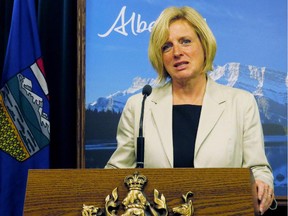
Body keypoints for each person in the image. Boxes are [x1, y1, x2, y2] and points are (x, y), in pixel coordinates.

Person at [105, 6, 275, 215]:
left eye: (185, 41)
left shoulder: (241, 102)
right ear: (160, 57)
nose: (177, 52)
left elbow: (258, 168)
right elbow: (115, 173)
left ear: (204, 45)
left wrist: (262, 183)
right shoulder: (139, 104)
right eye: (166, 46)